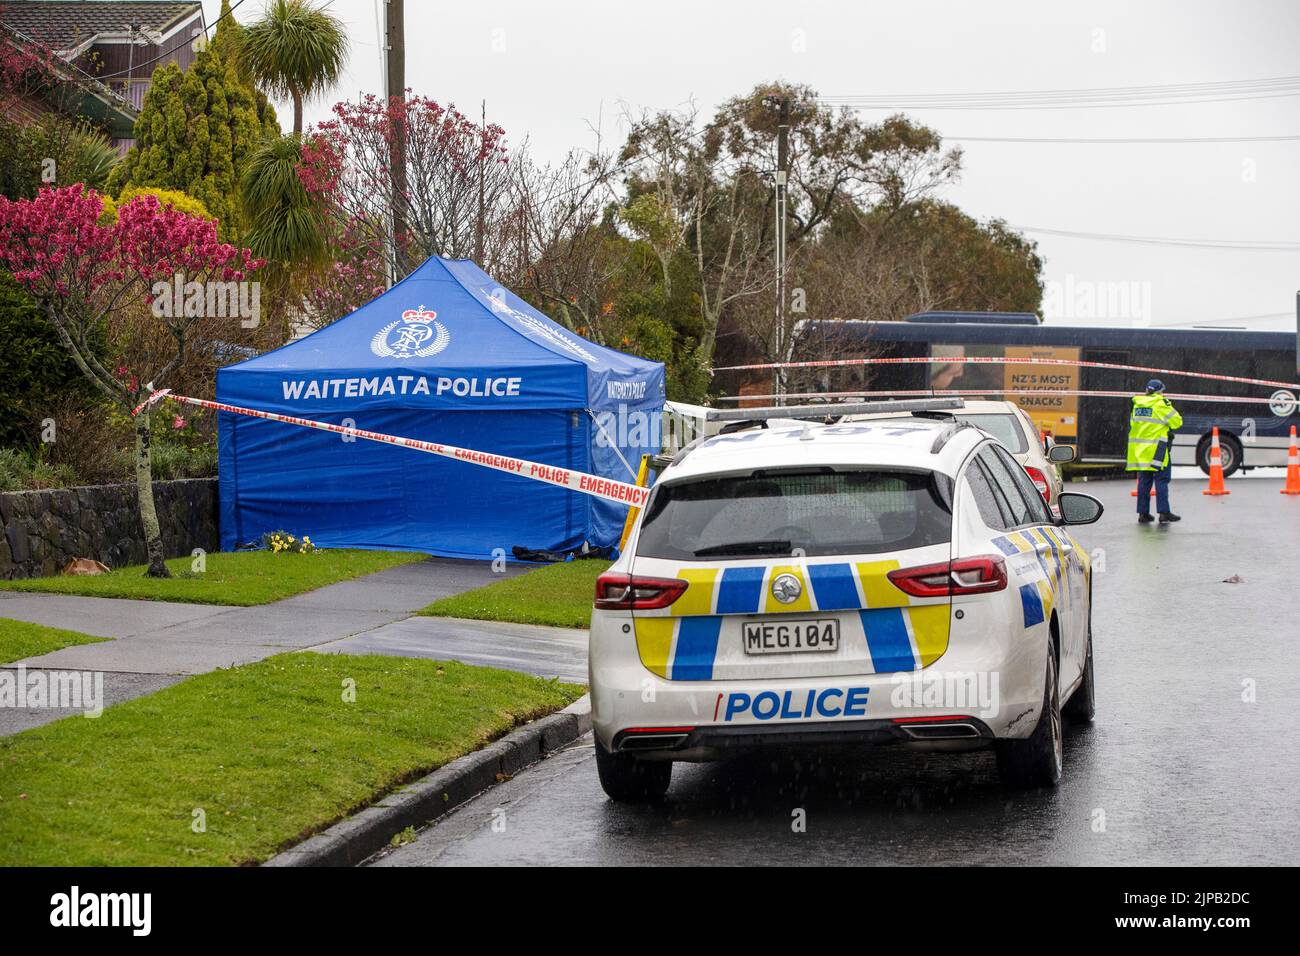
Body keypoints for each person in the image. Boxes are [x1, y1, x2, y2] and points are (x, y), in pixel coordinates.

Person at [1126, 379, 1183, 524]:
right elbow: (1177, 422)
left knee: (1144, 482)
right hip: (1157, 449)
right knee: (1162, 480)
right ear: (1160, 391)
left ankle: (1143, 514)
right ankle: (1164, 513)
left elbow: (1134, 424)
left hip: (1141, 450)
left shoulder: (1137, 405)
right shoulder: (1161, 404)